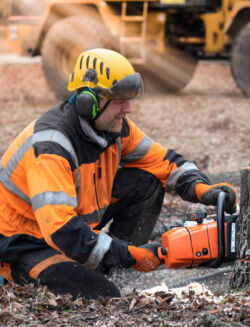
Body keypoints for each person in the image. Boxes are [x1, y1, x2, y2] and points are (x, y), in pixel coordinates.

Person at [0, 48, 237, 299]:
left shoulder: (115, 128)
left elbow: (163, 161)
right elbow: (63, 231)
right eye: (119, 100)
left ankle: (110, 263)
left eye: (130, 99)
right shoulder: (51, 147)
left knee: (147, 181)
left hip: (72, 228)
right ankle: (24, 275)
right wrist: (132, 256)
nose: (128, 108)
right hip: (24, 244)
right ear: (88, 101)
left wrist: (202, 189)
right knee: (103, 295)